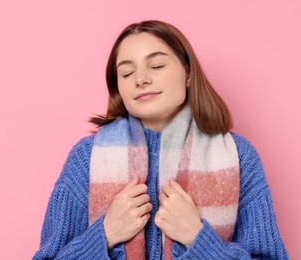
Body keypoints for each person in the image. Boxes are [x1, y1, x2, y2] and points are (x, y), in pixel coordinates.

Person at [32, 20, 288, 259]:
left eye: (156, 66)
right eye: (127, 73)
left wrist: (198, 239)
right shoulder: (86, 157)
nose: (141, 79)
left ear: (188, 73)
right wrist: (106, 234)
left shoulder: (239, 155)